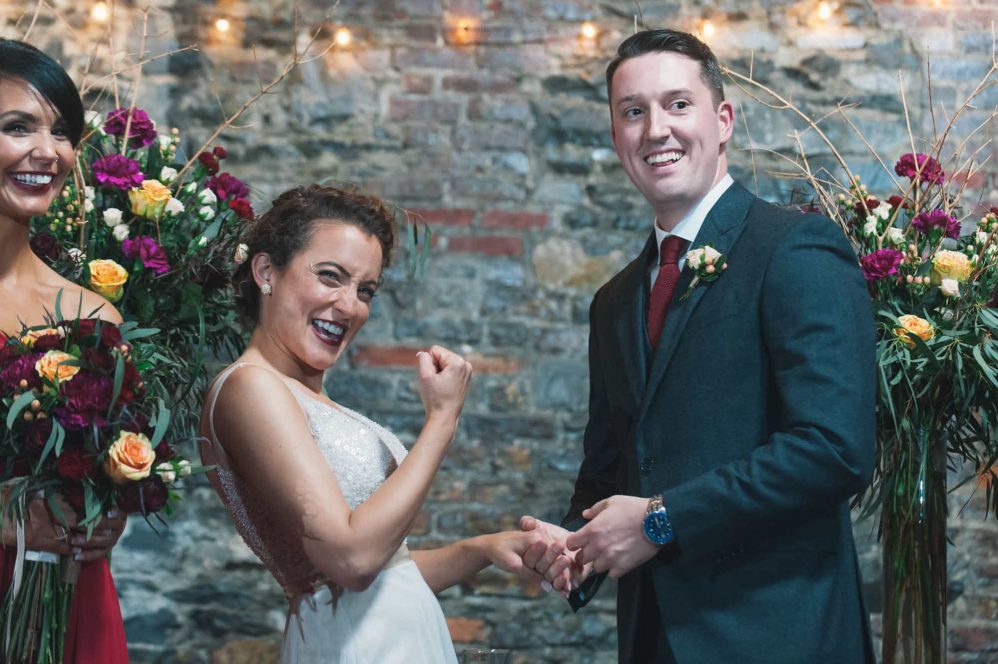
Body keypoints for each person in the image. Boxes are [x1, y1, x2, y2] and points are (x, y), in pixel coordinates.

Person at [520, 29, 877, 663]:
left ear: (724, 120)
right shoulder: (613, 301)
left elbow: (835, 449)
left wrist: (661, 520)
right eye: (633, 111)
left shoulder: (795, 248)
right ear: (615, 136)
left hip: (779, 635)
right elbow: (613, 470)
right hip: (654, 640)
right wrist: (573, 541)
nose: (655, 128)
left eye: (677, 104)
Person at [200, 184, 548, 663]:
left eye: (365, 290)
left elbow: (386, 574)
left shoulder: (313, 400)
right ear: (266, 271)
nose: (349, 306)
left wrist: (481, 549)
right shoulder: (250, 387)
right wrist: (442, 421)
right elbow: (351, 562)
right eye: (329, 276)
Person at [0, 38, 129, 663]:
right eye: (17, 127)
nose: (47, 152)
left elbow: (95, 469)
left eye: (61, 131)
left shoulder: (93, 315)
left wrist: (110, 510)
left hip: (69, 597)